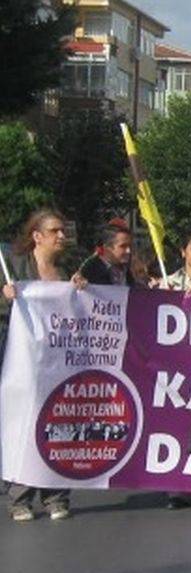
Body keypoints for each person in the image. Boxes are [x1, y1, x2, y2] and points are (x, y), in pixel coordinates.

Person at [1, 209, 76, 521]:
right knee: (21, 426)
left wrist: (81, 291)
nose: (62, 236)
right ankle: (20, 495)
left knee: (58, 425)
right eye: (56, 231)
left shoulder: (66, 270)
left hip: (56, 363)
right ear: (37, 236)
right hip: (20, 362)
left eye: (63, 231)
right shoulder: (13, 268)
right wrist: (4, 298)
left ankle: (56, 495)